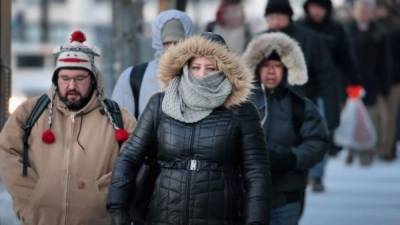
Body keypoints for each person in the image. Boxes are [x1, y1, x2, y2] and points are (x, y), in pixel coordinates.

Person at [106, 33, 271, 225]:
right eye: (196, 67)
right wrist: (117, 206)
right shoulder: (160, 104)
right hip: (163, 215)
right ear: (185, 67)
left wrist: (256, 221)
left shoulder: (241, 111)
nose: (202, 75)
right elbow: (129, 156)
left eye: (210, 68)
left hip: (222, 216)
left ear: (224, 70)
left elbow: (256, 173)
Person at [0, 31, 136, 225]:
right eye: (65, 78)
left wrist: (102, 196)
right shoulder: (29, 112)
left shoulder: (118, 118)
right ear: (56, 79)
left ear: (93, 78)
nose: (72, 85)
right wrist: (33, 197)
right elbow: (6, 152)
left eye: (80, 78)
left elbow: (134, 162)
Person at [244, 32, 329, 225]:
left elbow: (317, 142)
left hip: (287, 196)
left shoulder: (300, 105)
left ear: (287, 69)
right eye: (266, 66)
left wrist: (291, 157)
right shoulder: (242, 104)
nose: (271, 72)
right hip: (247, 194)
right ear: (256, 68)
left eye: (277, 66)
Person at [262, 0, 340, 192]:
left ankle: (316, 175)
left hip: (306, 100)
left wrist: (332, 111)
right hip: (270, 103)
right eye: (272, 18)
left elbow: (326, 74)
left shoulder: (309, 39)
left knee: (314, 137)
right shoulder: (259, 43)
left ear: (289, 17)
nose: (276, 22)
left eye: (280, 17)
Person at [111, 9, 193, 118]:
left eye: (178, 42)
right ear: (159, 42)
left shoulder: (200, 76)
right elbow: (118, 124)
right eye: (167, 43)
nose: (173, 48)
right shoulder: (132, 77)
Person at [345, 0, 392, 165]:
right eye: (360, 9)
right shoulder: (347, 30)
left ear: (372, 12)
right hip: (351, 82)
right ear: (355, 11)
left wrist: (385, 86)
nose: (363, 13)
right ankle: (351, 150)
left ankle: (367, 151)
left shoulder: (379, 32)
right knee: (352, 117)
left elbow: (385, 62)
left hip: (372, 82)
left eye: (367, 9)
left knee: (371, 119)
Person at [375, 0, 400, 160]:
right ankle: (383, 147)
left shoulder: (394, 27)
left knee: (389, 116)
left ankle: (387, 148)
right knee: (381, 116)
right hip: (377, 79)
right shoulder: (372, 27)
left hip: (393, 78)